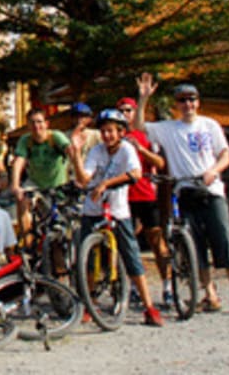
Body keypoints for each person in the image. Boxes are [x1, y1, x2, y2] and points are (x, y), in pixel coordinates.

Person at [137, 74, 229, 316]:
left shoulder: (210, 125)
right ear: (176, 105)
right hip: (184, 191)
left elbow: (225, 154)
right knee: (195, 245)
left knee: (224, 240)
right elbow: (139, 127)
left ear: (198, 102)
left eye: (191, 99)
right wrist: (143, 99)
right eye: (182, 100)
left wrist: (213, 170)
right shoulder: (169, 129)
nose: (187, 105)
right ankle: (209, 294)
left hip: (211, 190)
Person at [69, 108, 163, 327]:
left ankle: (149, 307)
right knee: (88, 261)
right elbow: (84, 179)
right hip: (93, 210)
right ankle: (89, 303)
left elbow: (136, 174)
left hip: (118, 211)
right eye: (104, 131)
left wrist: (106, 184)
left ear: (120, 132)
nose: (107, 135)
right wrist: (75, 155)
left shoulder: (127, 150)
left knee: (132, 257)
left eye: (111, 131)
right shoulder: (96, 151)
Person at [118, 95, 171, 306]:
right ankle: (133, 287)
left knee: (157, 240)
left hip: (145, 194)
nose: (125, 115)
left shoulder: (145, 136)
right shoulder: (113, 136)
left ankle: (167, 284)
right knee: (127, 244)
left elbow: (160, 162)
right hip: (123, 196)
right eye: (121, 111)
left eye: (128, 110)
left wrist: (141, 150)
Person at [10, 107, 71, 239]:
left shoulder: (55, 137)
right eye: (32, 122)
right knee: (22, 200)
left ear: (46, 124)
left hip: (57, 184)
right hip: (35, 182)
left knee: (59, 225)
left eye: (39, 122)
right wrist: (15, 185)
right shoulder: (26, 140)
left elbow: (70, 151)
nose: (36, 126)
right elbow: (19, 162)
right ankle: (28, 242)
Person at [67, 102, 101, 176]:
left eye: (82, 117)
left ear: (89, 119)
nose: (79, 120)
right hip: (72, 174)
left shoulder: (96, 134)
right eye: (76, 117)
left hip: (91, 173)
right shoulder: (66, 135)